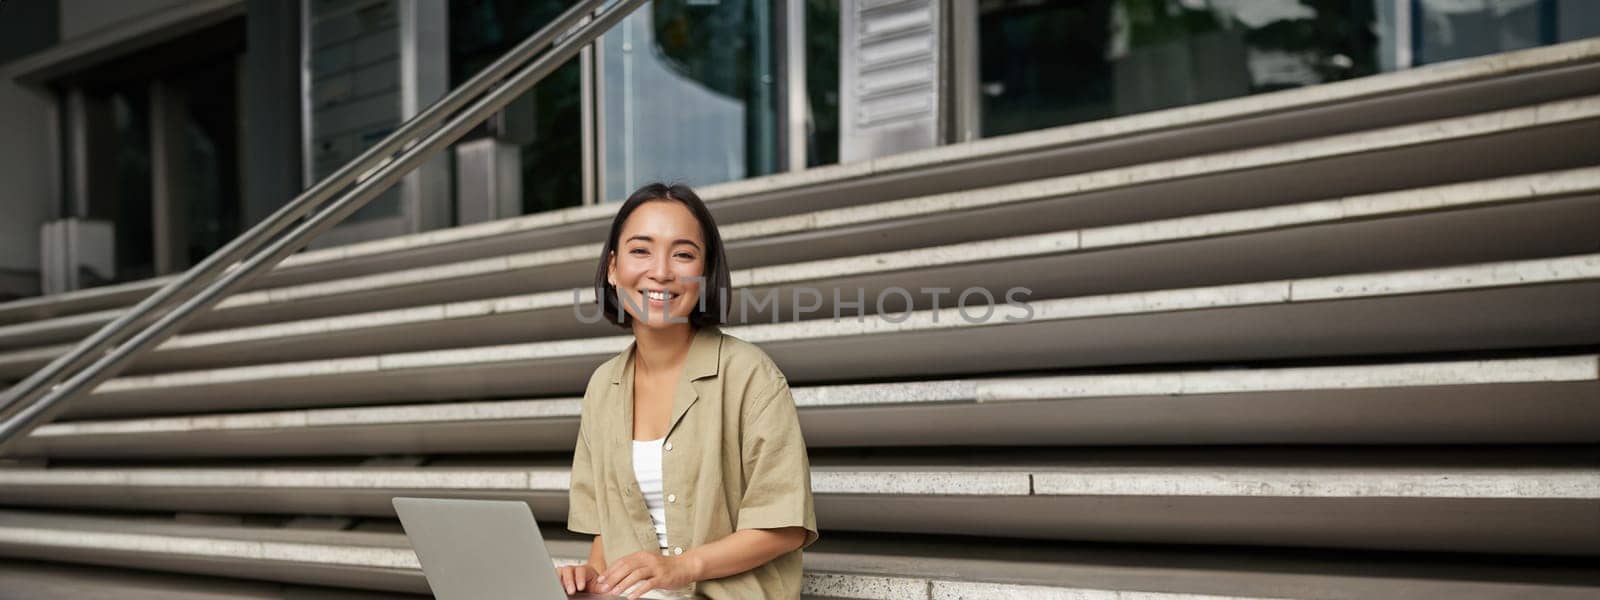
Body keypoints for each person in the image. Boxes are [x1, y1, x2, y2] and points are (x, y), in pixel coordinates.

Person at [558, 183, 818, 599]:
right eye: (641, 250)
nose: (660, 271)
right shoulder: (603, 388)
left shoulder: (750, 375)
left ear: (705, 273)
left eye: (682, 254)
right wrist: (590, 575)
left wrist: (680, 568)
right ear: (612, 268)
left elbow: (784, 526)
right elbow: (607, 534)